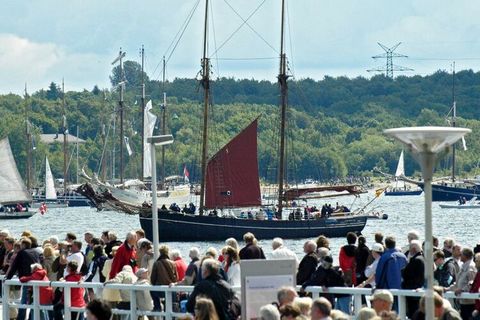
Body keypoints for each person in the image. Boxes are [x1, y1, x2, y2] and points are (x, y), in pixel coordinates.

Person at [6, 237, 42, 320]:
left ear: (24, 245)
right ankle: (31, 318)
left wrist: (8, 278)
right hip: (37, 278)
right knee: (35, 300)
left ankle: (21, 318)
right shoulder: (36, 252)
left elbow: (14, 266)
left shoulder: (22, 252)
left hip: (27, 279)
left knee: (24, 301)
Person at [449, 247, 477, 319]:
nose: (459, 255)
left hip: (470, 303)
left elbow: (473, 283)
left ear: (465, 256)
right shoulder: (463, 266)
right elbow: (458, 283)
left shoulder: (471, 267)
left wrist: (462, 290)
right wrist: (447, 289)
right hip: (463, 302)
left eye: (461, 254)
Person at [401, 240, 425, 318]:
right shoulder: (422, 258)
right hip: (418, 290)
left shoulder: (416, 260)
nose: (409, 250)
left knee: (413, 314)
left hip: (412, 292)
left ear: (414, 249)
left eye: (410, 248)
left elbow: (407, 274)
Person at [150, 245, 178, 311]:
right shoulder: (173, 263)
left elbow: (152, 279)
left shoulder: (156, 263)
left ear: (160, 252)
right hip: (170, 288)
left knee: (152, 290)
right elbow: (176, 278)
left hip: (160, 290)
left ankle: (157, 307)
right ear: (167, 252)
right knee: (170, 310)